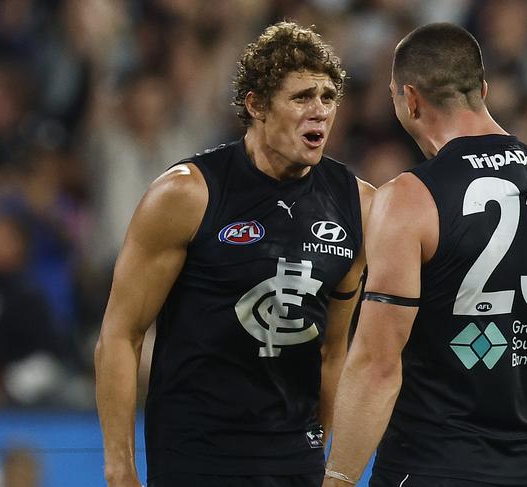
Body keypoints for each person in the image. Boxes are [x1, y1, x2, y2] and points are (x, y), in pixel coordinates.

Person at [323, 23, 527, 487]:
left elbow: (377, 364)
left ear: (410, 100)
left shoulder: (410, 198)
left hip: (426, 469)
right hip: (522, 471)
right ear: (484, 90)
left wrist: (337, 479)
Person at [95, 21, 374, 487]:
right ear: (257, 106)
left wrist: (324, 458)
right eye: (302, 97)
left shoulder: (359, 206)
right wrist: (120, 469)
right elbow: (121, 335)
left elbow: (334, 351)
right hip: (197, 457)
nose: (320, 111)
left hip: (294, 460)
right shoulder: (187, 194)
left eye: (328, 97)